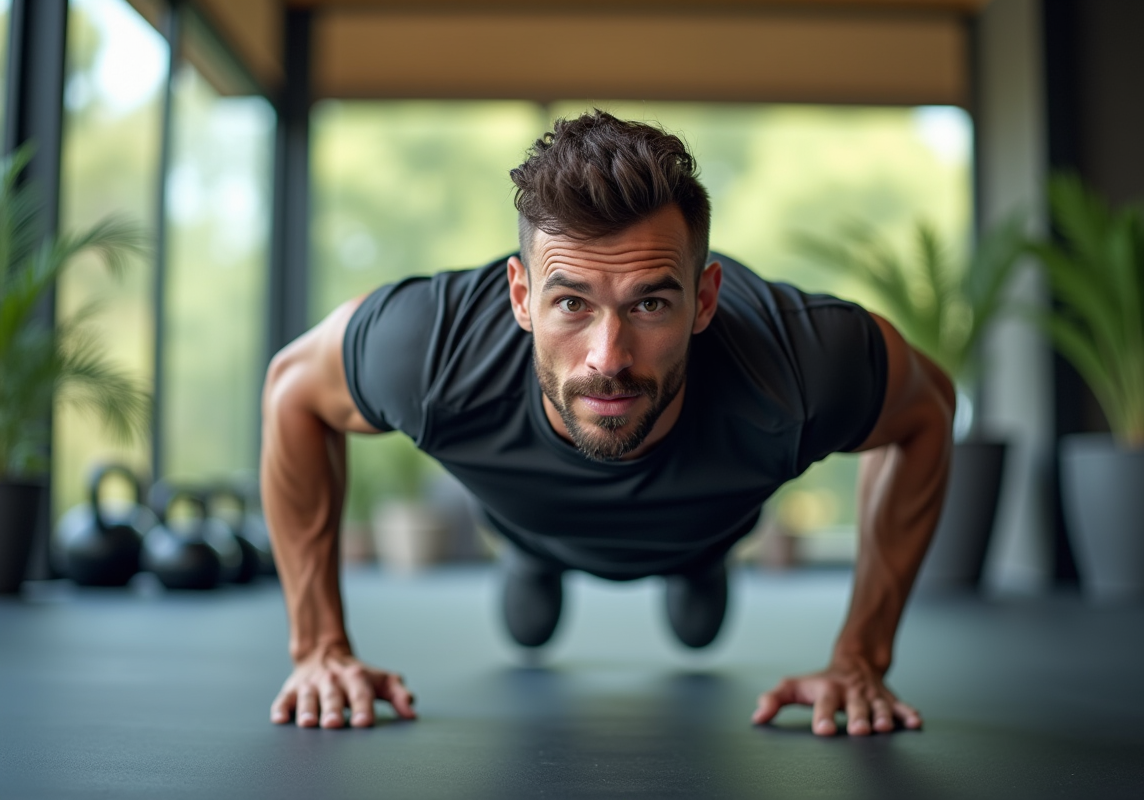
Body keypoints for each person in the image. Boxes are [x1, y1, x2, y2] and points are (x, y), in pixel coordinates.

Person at [261, 110, 955, 738]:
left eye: (650, 305)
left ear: (705, 299)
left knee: (697, 630)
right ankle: (535, 557)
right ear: (522, 296)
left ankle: (698, 566)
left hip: (704, 530)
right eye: (572, 303)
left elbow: (930, 410)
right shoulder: (430, 350)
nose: (609, 358)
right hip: (527, 520)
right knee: (527, 627)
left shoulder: (804, 365)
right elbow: (292, 389)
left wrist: (862, 656)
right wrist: (318, 648)